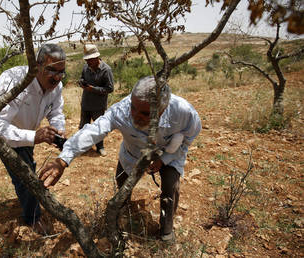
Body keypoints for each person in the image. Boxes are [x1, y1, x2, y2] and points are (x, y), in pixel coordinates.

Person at [39, 76, 201, 242]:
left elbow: (188, 138)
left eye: (145, 113)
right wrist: (63, 159)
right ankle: (123, 216)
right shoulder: (121, 110)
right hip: (132, 154)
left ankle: (166, 232)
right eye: (133, 107)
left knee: (170, 186)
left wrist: (164, 158)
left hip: (168, 153)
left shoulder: (183, 113)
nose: (135, 115)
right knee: (122, 183)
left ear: (163, 109)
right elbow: (94, 131)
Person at [0, 44, 66, 231]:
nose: (57, 77)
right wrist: (34, 136)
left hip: (28, 137)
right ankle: (33, 218)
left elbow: (56, 111)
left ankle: (32, 205)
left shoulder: (56, 87)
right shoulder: (13, 81)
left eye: (61, 72)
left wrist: (58, 129)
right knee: (26, 178)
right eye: (51, 70)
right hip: (7, 139)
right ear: (37, 65)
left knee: (28, 170)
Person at [77, 44, 114, 156]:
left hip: (98, 105)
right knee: (83, 126)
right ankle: (83, 146)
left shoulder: (106, 70)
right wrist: (81, 82)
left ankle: (100, 147)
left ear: (96, 57)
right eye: (87, 60)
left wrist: (93, 89)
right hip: (86, 103)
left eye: (90, 60)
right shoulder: (85, 67)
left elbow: (110, 88)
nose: (88, 62)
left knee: (99, 127)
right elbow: (82, 77)